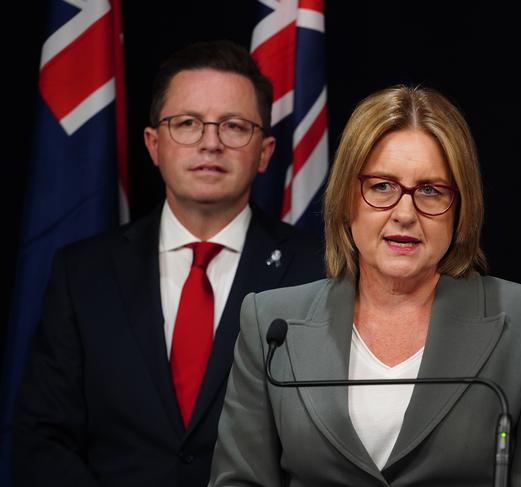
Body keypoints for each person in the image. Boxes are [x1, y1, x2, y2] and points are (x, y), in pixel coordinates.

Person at [209, 85, 521, 486]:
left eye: (430, 190)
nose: (405, 213)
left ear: (460, 208)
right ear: (345, 200)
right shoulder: (271, 324)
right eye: (382, 187)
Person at [12, 40, 324, 487]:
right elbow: (42, 438)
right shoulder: (82, 274)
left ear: (265, 152)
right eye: (188, 123)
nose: (210, 143)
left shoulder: (318, 274)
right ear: (154, 144)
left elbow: (328, 446)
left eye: (234, 126)